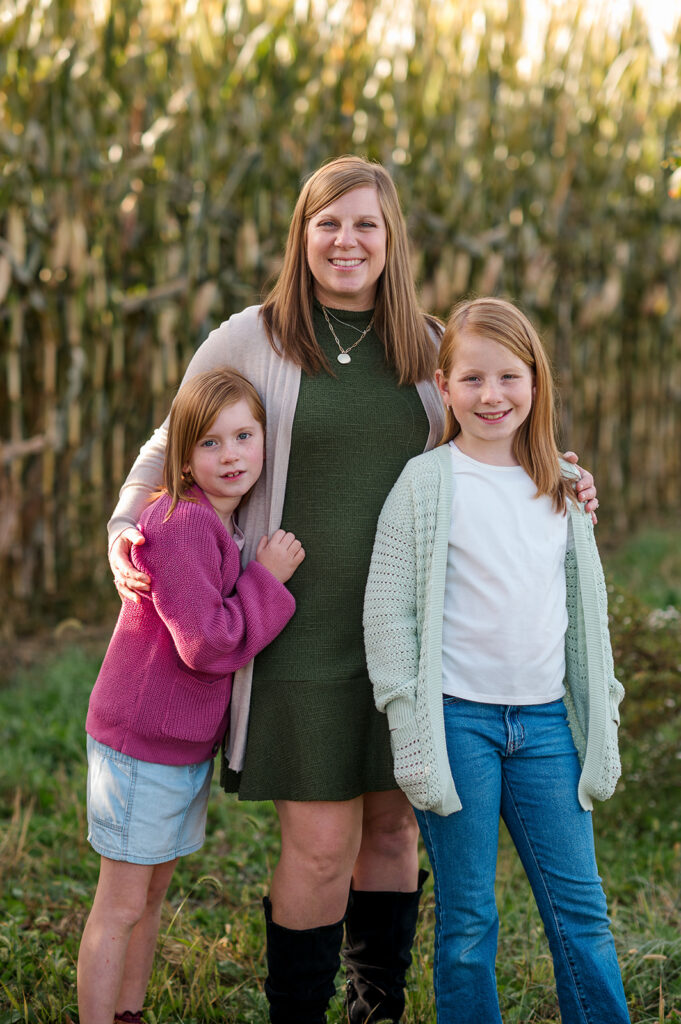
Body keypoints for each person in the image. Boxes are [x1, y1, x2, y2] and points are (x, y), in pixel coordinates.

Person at [107, 157, 599, 1024]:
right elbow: (167, 443)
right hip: (295, 630)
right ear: (302, 235)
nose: (346, 241)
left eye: (365, 224)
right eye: (327, 223)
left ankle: (379, 1010)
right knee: (322, 846)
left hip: (416, 636)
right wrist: (125, 526)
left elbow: (494, 434)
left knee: (392, 830)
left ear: (389, 237)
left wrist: (565, 478)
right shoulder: (250, 338)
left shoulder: (427, 346)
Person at [363, 297, 628, 1024]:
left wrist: (596, 703)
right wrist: (406, 717)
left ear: (534, 384)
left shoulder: (562, 487)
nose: (491, 395)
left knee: (580, 912)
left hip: (546, 726)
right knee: (469, 919)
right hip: (458, 724)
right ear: (443, 387)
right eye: (472, 379)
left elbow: (585, 613)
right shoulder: (425, 485)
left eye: (508, 377)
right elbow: (388, 613)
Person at [79, 368, 304, 1024]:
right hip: (139, 747)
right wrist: (267, 580)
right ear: (181, 456)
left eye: (243, 436)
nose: (230, 454)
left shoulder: (219, 523)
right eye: (209, 443)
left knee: (149, 899)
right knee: (120, 905)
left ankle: (128, 1013)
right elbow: (205, 647)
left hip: (175, 748)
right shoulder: (182, 526)